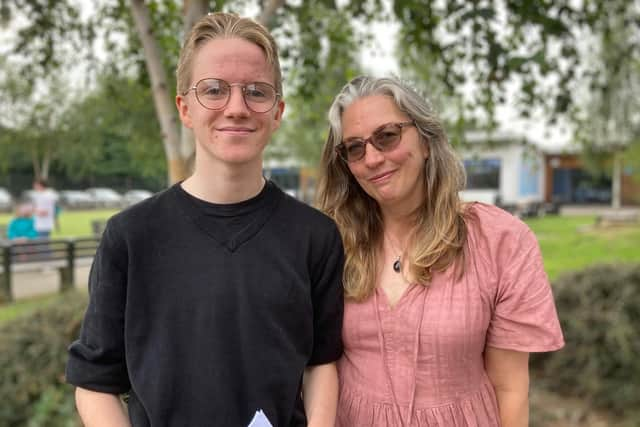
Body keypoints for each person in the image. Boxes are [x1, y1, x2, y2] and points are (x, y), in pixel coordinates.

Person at [66, 12, 344, 427]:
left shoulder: (315, 237)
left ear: (277, 111)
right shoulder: (131, 237)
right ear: (184, 108)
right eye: (213, 90)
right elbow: (95, 382)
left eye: (257, 91)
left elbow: (321, 363)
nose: (236, 108)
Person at [316, 76, 564, 427]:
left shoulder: (501, 241)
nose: (372, 158)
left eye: (387, 136)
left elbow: (510, 388)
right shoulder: (330, 244)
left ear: (427, 141)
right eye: (354, 148)